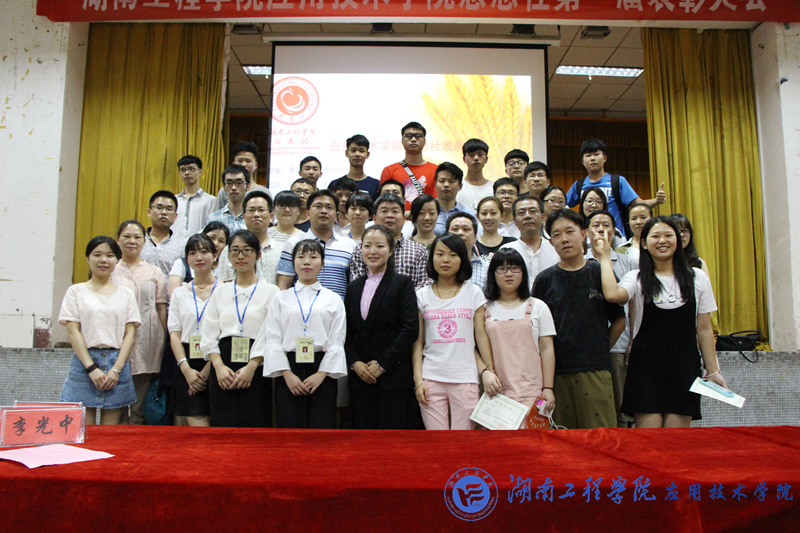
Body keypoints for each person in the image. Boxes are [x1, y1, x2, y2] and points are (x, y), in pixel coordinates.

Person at [592, 216, 725, 428]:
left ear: (678, 240)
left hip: (684, 367)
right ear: (644, 243)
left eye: (668, 235)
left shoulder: (697, 277)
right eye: (655, 236)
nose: (662, 240)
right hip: (645, 368)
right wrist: (605, 258)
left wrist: (714, 371)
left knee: (676, 440)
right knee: (649, 440)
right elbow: (612, 294)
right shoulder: (637, 277)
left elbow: (704, 329)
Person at [532, 209, 625, 430]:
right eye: (556, 235)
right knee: (561, 437)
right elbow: (536, 329)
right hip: (555, 373)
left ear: (583, 235)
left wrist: (602, 347)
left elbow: (620, 319)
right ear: (551, 242)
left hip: (595, 369)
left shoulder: (598, 271)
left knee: (600, 434)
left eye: (570, 232)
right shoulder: (544, 280)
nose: (564, 239)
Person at [412, 233, 500, 430]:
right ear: (432, 258)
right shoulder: (421, 295)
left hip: (465, 377)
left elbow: (480, 336)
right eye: (440, 254)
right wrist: (418, 380)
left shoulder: (474, 292)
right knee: (437, 442)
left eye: (453, 255)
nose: (446, 260)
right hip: (431, 377)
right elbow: (418, 342)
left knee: (463, 440)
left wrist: (489, 371)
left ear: (462, 259)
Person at [259, 239, 347, 428]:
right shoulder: (281, 298)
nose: (307, 262)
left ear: (322, 264)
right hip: (289, 368)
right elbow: (273, 339)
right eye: (301, 257)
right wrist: (287, 374)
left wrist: (321, 374)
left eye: (313, 257)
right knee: (290, 428)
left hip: (322, 369)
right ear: (293, 263)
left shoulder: (333, 299)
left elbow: (336, 341)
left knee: (321, 428)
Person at [199, 230, 280, 427]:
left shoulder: (271, 292)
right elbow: (209, 333)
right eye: (235, 251)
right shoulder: (220, 292)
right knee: (222, 426)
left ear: (258, 255)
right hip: (223, 364)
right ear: (228, 255)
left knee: (255, 424)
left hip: (257, 364)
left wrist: (252, 367)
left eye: (246, 250)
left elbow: (270, 333)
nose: (240, 256)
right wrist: (218, 366)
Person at [59, 236, 140, 425]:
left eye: (109, 255)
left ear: (117, 260)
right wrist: (91, 368)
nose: (103, 260)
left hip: (116, 363)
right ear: (88, 258)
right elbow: (73, 332)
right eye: (97, 255)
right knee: (84, 430)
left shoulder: (126, 294)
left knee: (110, 433)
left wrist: (116, 369)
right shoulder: (75, 291)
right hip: (84, 363)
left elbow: (130, 333)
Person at [344, 225, 419, 429]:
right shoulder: (353, 287)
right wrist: (354, 363)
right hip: (360, 378)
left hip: (393, 378)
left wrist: (383, 364)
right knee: (362, 438)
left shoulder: (402, 283)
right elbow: (346, 332)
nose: (373, 251)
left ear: (391, 250)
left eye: (379, 246)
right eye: (367, 245)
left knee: (392, 439)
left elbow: (410, 329)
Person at [484, 248, 556, 422]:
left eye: (515, 268)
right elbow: (476, 348)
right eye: (502, 268)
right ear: (493, 273)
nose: (509, 274)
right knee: (500, 438)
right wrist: (485, 372)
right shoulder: (484, 309)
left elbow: (547, 350)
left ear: (523, 272)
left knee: (535, 435)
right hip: (496, 390)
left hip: (534, 390)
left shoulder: (538, 307)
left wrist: (548, 388)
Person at [584, 210, 637, 428]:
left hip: (620, 346)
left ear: (614, 232)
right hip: (588, 350)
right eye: (595, 226)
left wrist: (634, 339)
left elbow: (633, 305)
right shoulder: (580, 262)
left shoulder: (628, 262)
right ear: (586, 232)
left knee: (621, 406)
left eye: (606, 225)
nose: (600, 230)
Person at [112, 220, 168, 425]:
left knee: (139, 406)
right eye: (126, 236)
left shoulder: (155, 272)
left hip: (147, 340)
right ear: (118, 240)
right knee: (116, 405)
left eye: (137, 237)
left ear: (144, 241)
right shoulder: (111, 270)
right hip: (117, 339)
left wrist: (163, 339)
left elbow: (161, 308)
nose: (132, 241)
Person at [167, 234, 219, 427]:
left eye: (204, 252)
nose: (198, 257)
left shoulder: (225, 290)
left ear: (215, 256)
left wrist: (208, 369)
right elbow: (174, 333)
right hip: (186, 360)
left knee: (211, 422)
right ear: (187, 259)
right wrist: (185, 368)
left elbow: (224, 333)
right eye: (192, 253)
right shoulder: (180, 293)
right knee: (188, 422)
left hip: (216, 361)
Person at [566, 139, 666, 236]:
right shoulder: (579, 185)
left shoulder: (617, 181)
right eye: (588, 155)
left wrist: (657, 201)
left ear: (605, 158)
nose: (592, 158)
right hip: (588, 238)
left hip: (616, 238)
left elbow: (638, 204)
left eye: (596, 154)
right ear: (583, 161)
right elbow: (563, 206)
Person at [277, 189, 357, 297]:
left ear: (336, 215)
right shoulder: (294, 243)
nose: (323, 211)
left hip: (338, 307)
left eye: (329, 207)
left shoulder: (349, 245)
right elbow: (283, 285)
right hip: (300, 306)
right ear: (308, 213)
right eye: (318, 206)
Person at [350, 193, 430, 290]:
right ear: (374, 218)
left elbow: (424, 286)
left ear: (404, 219)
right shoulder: (361, 249)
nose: (389, 215)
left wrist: (405, 298)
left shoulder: (419, 251)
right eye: (384, 211)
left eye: (395, 211)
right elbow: (357, 286)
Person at [217, 191, 281, 286]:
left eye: (261, 210)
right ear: (244, 216)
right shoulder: (231, 250)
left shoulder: (280, 250)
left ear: (271, 216)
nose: (256, 214)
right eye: (251, 210)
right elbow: (224, 285)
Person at [500, 196, 559, 289]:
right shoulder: (506, 250)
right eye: (521, 213)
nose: (527, 216)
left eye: (533, 211)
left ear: (543, 217)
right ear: (515, 221)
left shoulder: (555, 249)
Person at [380, 122, 438, 212]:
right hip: (397, 218)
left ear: (424, 141)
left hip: (425, 219)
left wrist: (413, 213)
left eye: (418, 136)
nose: (413, 139)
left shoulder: (436, 170)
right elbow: (383, 201)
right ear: (402, 140)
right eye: (409, 136)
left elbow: (437, 200)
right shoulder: (389, 170)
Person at [168, 221, 229, 298]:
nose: (215, 243)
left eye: (221, 241)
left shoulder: (227, 267)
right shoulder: (182, 264)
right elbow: (174, 297)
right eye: (212, 237)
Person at [140, 190, 187, 276]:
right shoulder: (138, 241)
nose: (164, 212)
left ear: (175, 216)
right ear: (149, 212)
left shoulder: (182, 246)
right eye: (159, 208)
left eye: (169, 209)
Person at [214, 142, 272, 210]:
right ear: (234, 163)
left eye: (248, 161)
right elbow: (218, 213)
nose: (243, 164)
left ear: (255, 165)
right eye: (240, 161)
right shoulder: (225, 190)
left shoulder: (263, 192)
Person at [173, 155, 217, 241]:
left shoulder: (211, 201)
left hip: (199, 245)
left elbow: (211, 228)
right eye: (183, 170)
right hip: (174, 245)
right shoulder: (174, 200)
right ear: (179, 173)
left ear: (200, 171)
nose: (187, 173)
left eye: (191, 169)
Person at [327, 134, 380, 200]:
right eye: (353, 150)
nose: (357, 154)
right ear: (346, 153)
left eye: (361, 151)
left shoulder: (375, 185)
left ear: (367, 154)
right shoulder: (334, 184)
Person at [445, 212, 488, 292]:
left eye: (465, 229)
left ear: (475, 237)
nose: (460, 233)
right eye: (455, 229)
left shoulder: (486, 268)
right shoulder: (439, 265)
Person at [205, 165, 251, 236]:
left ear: (248, 186)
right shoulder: (213, 219)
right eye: (229, 183)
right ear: (224, 187)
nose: (234, 188)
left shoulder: (253, 218)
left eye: (239, 183)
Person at [433, 162, 477, 236]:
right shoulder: (425, 213)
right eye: (442, 181)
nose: (446, 185)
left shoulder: (469, 214)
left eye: (451, 181)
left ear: (460, 186)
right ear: (435, 184)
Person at [669, 214, 711, 279]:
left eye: (685, 231)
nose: (682, 235)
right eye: (677, 231)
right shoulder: (662, 262)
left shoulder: (698, 263)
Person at [456, 139, 494, 210]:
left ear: (486, 159)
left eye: (480, 155)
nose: (476, 158)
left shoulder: (494, 187)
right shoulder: (456, 187)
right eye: (471, 155)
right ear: (464, 159)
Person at [476, 197, 517, 262]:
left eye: (493, 213)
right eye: (484, 213)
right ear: (478, 216)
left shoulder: (512, 243)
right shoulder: (472, 246)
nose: (488, 217)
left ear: (502, 216)